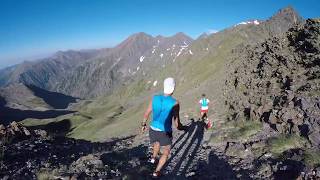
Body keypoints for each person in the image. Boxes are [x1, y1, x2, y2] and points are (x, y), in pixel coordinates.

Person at [141, 77, 184, 177]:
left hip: (153, 129)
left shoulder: (155, 98)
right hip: (165, 132)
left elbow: (147, 113)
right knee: (166, 152)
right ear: (173, 88)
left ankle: (153, 158)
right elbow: (177, 124)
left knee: (156, 143)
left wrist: (143, 125)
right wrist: (183, 128)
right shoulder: (175, 103)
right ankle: (156, 172)